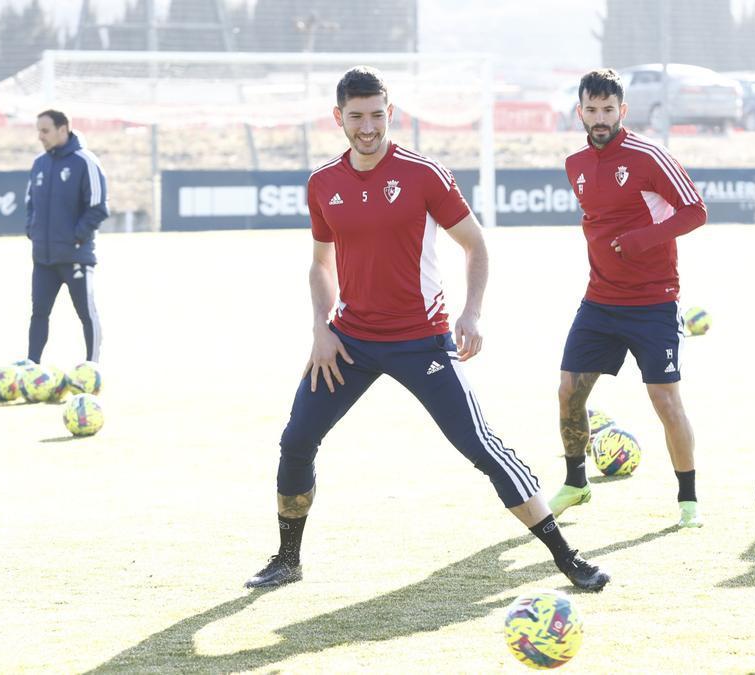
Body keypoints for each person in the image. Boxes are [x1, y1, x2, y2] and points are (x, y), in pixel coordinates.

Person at [244, 66, 610, 593]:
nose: (367, 127)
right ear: (338, 118)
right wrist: (321, 329)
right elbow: (320, 264)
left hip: (423, 341)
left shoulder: (424, 174)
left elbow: (476, 245)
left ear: (390, 113)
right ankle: (287, 560)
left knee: (481, 446)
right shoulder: (323, 183)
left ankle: (567, 558)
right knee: (296, 440)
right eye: (356, 117)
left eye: (376, 115)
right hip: (350, 341)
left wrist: (472, 312)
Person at [547, 68, 709, 529]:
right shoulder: (574, 164)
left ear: (623, 110)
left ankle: (688, 499)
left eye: (608, 110)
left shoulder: (647, 156)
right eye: (592, 110)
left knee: (664, 400)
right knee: (569, 393)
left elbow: (695, 210)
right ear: (580, 112)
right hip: (598, 302)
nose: (600, 119)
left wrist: (643, 239)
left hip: (653, 302)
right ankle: (577, 483)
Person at [26, 109, 107, 365]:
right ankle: (31, 367)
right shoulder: (39, 163)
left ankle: (92, 367)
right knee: (39, 314)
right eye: (38, 130)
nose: (40, 136)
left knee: (86, 313)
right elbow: (30, 205)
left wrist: (76, 237)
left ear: (63, 129)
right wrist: (34, 232)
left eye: (45, 130)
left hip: (75, 257)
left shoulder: (86, 162)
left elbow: (98, 207)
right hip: (43, 258)